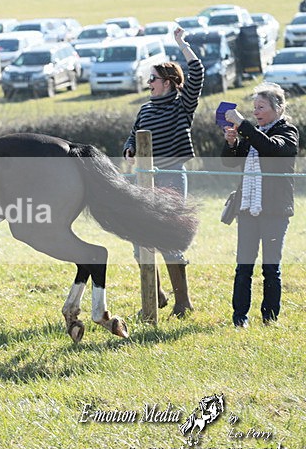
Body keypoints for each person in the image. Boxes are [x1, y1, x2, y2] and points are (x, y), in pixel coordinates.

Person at [123, 27, 204, 317]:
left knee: (169, 239)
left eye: (153, 79)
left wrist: (182, 44)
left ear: (167, 82)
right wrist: (129, 148)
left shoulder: (181, 106)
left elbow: (197, 73)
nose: (149, 83)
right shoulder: (145, 109)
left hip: (171, 177)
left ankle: (183, 302)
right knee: (139, 238)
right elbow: (133, 135)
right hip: (144, 180)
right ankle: (155, 295)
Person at [221, 83, 299, 328]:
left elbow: (271, 148)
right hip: (247, 209)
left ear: (278, 108)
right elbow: (229, 163)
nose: (256, 112)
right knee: (243, 266)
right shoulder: (252, 133)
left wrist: (243, 125)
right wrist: (231, 143)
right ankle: (239, 318)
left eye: (261, 107)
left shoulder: (288, 132)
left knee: (270, 267)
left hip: (275, 211)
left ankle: (270, 318)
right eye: (254, 107)